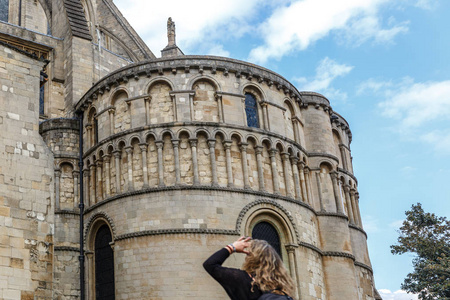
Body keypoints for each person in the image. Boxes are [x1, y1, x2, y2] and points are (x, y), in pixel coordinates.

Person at [203, 236, 296, 300]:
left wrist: (232, 247)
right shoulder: (282, 286)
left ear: (251, 258)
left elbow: (210, 264)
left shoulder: (241, 279)